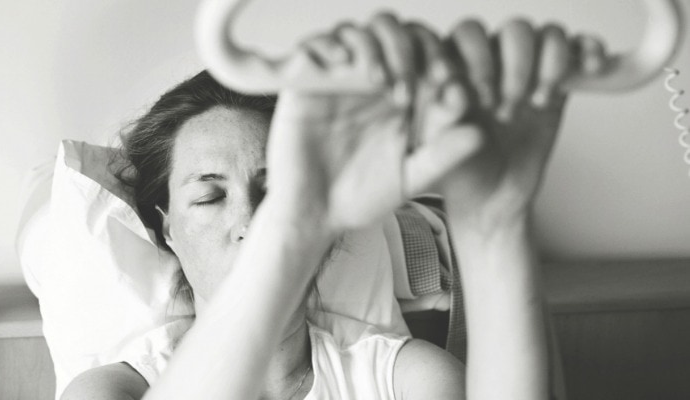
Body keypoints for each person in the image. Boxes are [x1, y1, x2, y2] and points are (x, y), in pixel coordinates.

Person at [61, 13, 606, 400]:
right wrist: (289, 230)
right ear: (169, 230)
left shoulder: (403, 378)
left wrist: (494, 223)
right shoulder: (114, 389)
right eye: (209, 196)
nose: (249, 222)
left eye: (272, 190)